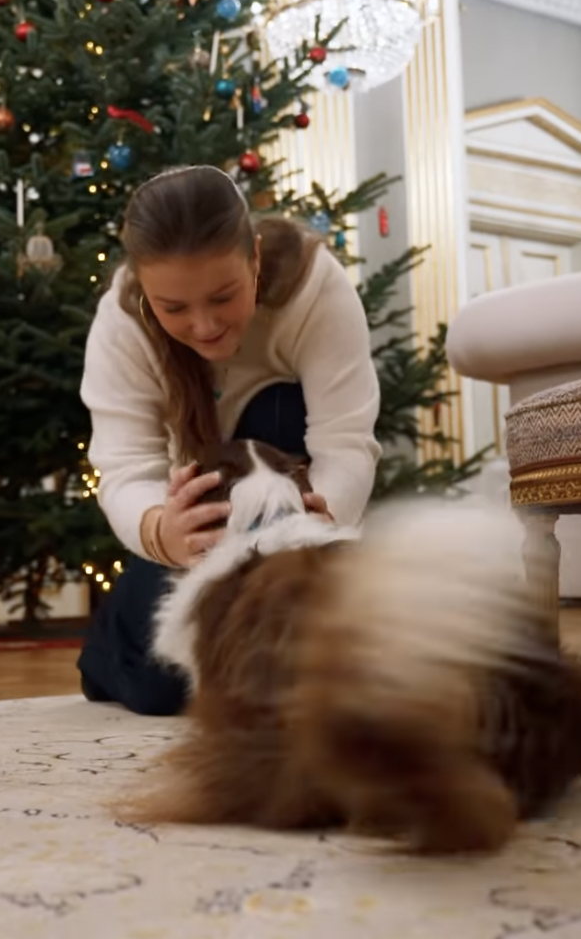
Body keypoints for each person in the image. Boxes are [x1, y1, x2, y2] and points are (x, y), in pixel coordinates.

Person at [77, 164, 382, 714]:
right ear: (145, 290)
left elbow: (346, 443)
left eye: (223, 296)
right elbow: (126, 472)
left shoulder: (313, 287)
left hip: (295, 512)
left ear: (256, 261)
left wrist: (316, 531)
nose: (203, 325)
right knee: (165, 686)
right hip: (195, 524)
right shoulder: (121, 321)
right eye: (173, 308)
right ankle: (108, 648)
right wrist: (163, 532)